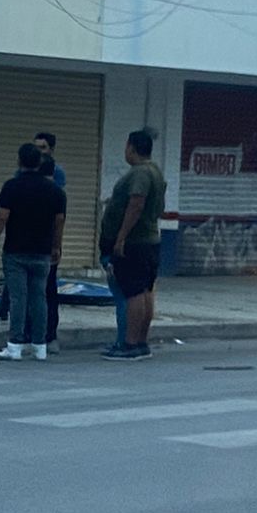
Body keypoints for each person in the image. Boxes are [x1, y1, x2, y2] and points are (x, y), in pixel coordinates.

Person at [0, 142, 67, 360]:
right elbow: (59, 222)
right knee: (39, 298)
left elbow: (2, 217)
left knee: (18, 298)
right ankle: (40, 346)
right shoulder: (55, 191)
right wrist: (56, 246)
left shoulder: (12, 186)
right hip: (42, 252)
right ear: (40, 162)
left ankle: (15, 345)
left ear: (19, 161)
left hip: (16, 251)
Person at [100, 128, 167, 360]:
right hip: (149, 240)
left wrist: (121, 237)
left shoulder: (140, 173)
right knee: (145, 290)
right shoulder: (155, 171)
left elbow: (136, 204)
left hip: (135, 242)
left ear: (131, 147)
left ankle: (129, 344)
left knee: (134, 292)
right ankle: (140, 342)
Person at [34, 132, 66, 351]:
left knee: (48, 289)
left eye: (43, 148)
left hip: (47, 240)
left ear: (51, 150)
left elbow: (59, 214)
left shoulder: (57, 174)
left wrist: (56, 244)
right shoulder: (24, 172)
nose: (39, 152)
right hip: (24, 240)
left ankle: (49, 335)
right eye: (36, 147)